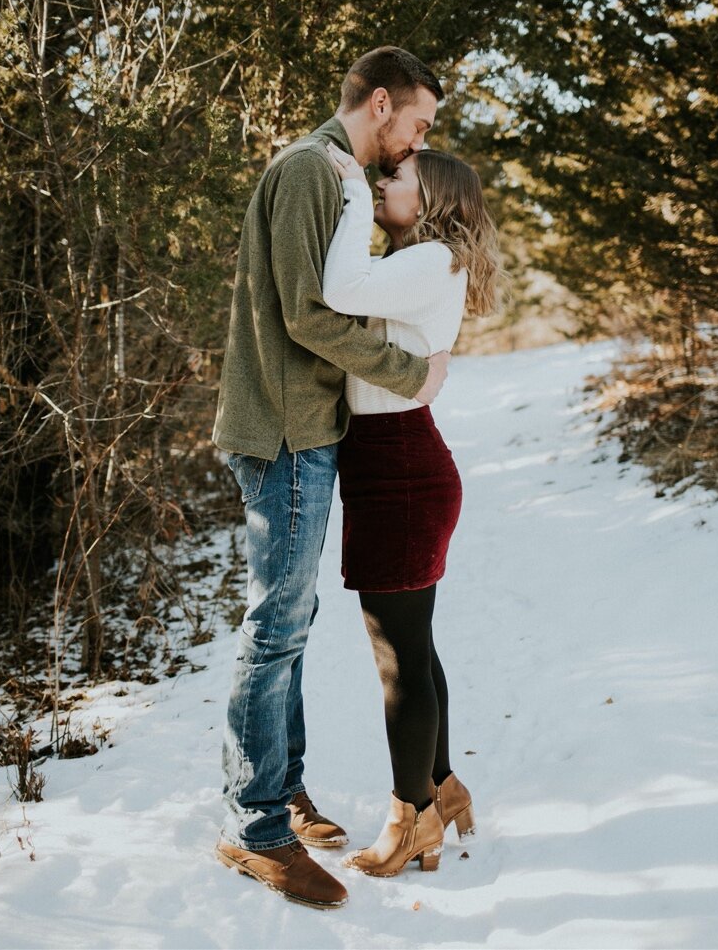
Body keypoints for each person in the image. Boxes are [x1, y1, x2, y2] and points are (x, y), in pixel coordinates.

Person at [211, 47, 451, 909]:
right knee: (275, 624)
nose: (420, 137)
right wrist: (407, 370)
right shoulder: (318, 170)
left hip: (302, 428)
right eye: (418, 121)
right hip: (284, 432)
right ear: (380, 103)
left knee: (291, 620)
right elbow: (308, 312)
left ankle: (281, 787)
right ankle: (253, 824)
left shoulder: (331, 171)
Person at [320, 142, 499, 876]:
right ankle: (441, 785)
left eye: (394, 177)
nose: (378, 179)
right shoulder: (421, 263)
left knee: (400, 658)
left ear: (429, 201)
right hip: (393, 460)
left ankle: (411, 818)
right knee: (414, 648)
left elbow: (338, 288)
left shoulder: (430, 260)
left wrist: (351, 199)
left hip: (398, 464)